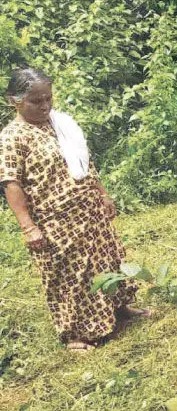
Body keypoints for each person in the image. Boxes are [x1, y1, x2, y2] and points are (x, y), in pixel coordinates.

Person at [0, 68, 148, 351]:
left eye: (48, 99)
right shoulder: (12, 137)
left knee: (107, 258)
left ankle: (119, 310)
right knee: (69, 276)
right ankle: (75, 335)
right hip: (55, 218)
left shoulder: (59, 124)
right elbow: (11, 183)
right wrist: (28, 227)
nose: (45, 106)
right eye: (36, 101)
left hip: (88, 208)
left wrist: (102, 194)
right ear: (14, 101)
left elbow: (84, 161)